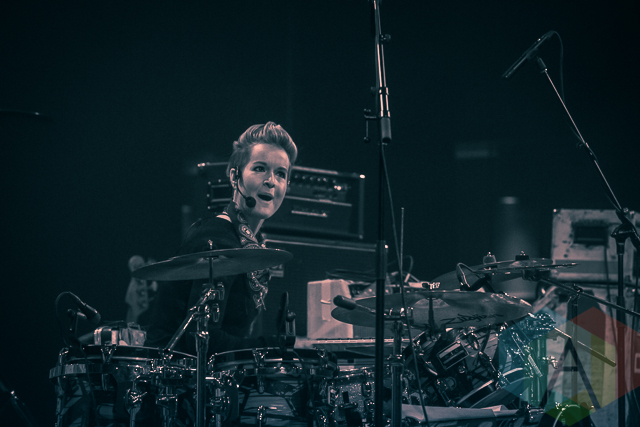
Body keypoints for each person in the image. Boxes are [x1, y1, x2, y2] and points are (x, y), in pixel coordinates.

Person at [145, 121, 297, 354]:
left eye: (281, 174)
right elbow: (203, 340)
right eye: (259, 168)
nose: (271, 181)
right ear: (235, 176)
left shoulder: (250, 241)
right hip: (173, 372)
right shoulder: (216, 238)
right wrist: (275, 346)